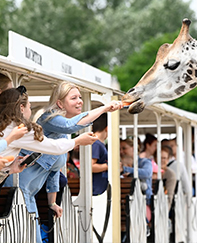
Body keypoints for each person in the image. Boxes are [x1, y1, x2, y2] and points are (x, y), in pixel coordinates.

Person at [11, 81, 122, 243]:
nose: (79, 101)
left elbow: (54, 172)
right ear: (60, 103)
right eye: (74, 98)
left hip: (28, 194)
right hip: (17, 191)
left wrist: (53, 203)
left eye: (80, 97)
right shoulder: (49, 118)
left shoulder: (63, 134)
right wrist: (104, 108)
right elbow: (71, 125)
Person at [120, 138, 153, 222]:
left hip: (143, 202)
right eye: (119, 149)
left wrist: (125, 169)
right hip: (123, 203)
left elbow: (147, 173)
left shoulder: (144, 162)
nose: (121, 151)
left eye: (124, 148)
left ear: (133, 148)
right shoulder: (119, 163)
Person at [91, 113, 109, 196]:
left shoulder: (98, 144)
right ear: (107, 128)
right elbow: (91, 166)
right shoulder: (96, 144)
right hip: (97, 190)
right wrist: (108, 166)